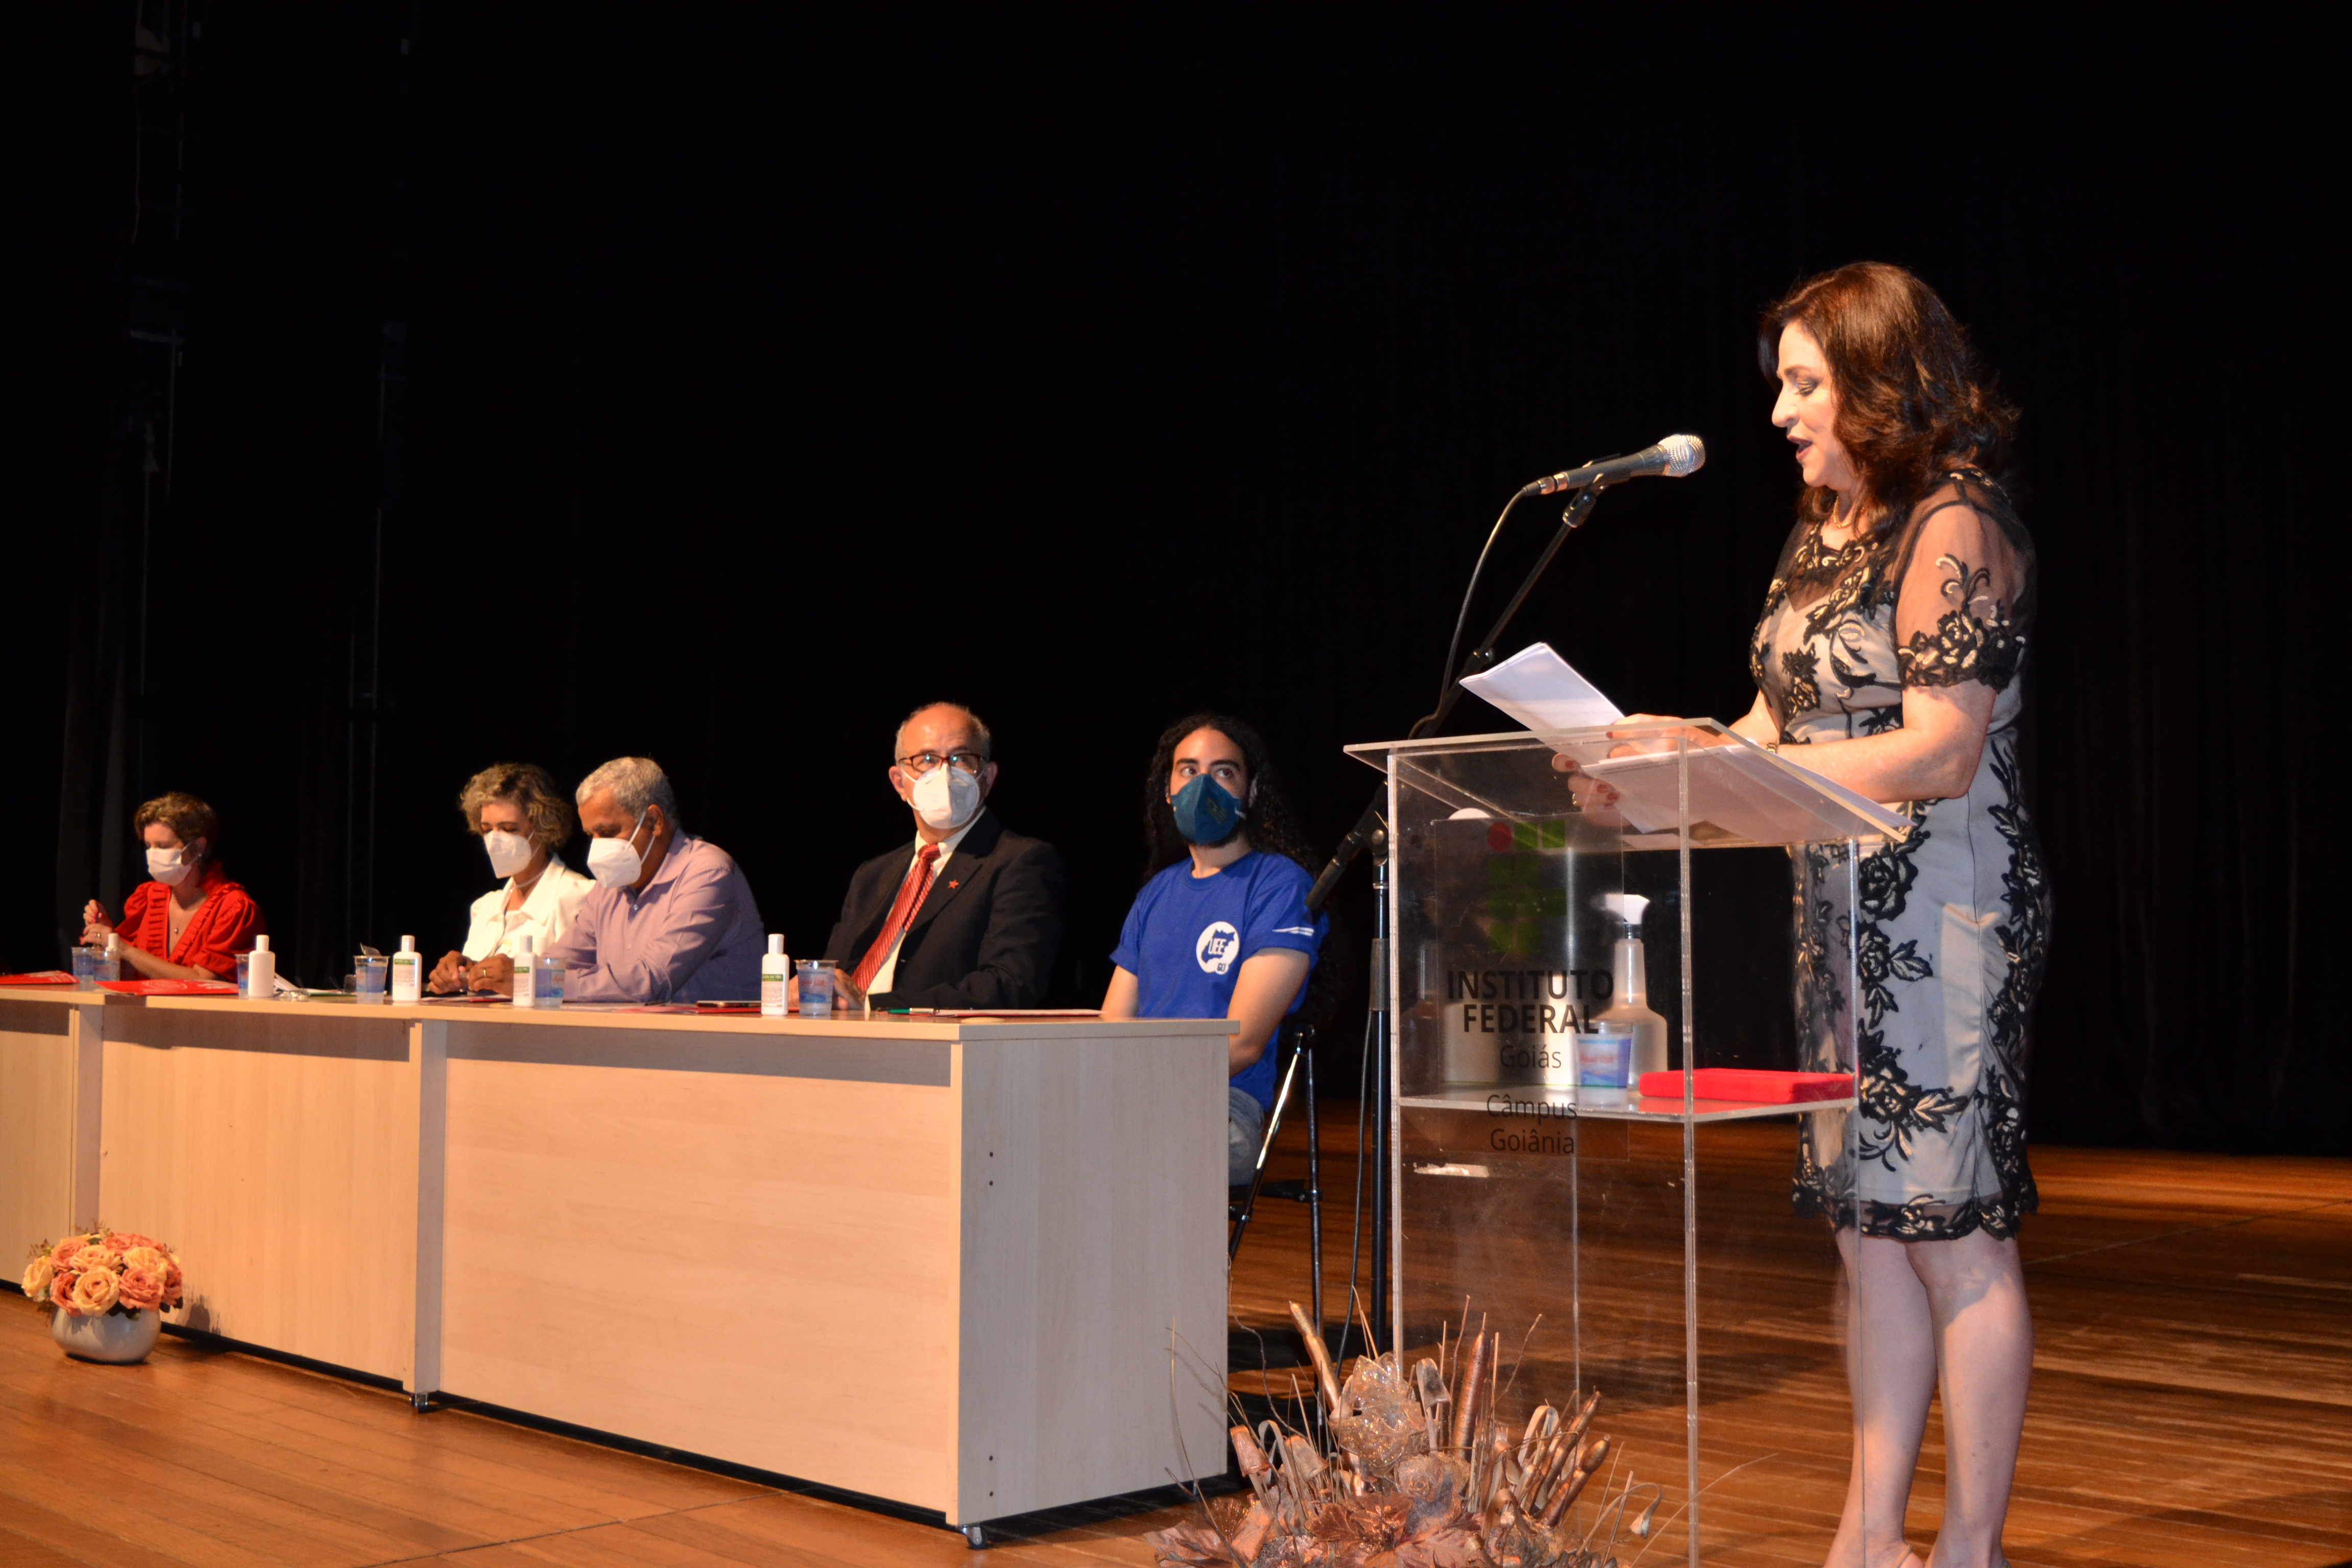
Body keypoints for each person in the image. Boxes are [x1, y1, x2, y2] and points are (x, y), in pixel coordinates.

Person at [1573, 262, 2044, 1568]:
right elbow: (1778, 727)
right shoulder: (1821, 521)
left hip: (1943, 920)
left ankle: (1968, 1544)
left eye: (1802, 382)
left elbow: (1942, 747)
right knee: (1863, 1228)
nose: (1780, 410)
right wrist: (1663, 765)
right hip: (1832, 917)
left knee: (1954, 1232)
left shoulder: (1955, 521)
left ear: (1876, 379)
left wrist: (1738, 770)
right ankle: (1866, 1528)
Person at [1100, 714, 1327, 1187]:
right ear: (1168, 790)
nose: (1204, 787)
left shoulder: (1280, 886)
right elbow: (1113, 1025)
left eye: (1224, 772)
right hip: (1136, 1099)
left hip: (1222, 1107)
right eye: (1188, 770)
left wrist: (1143, 1090)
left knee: (1112, 1145)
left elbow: (1243, 1044)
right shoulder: (1155, 894)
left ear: (1252, 792)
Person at [821, 702, 1064, 1011]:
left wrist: (872, 1005)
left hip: (935, 1048)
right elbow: (837, 975)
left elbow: (1009, 984)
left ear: (988, 777)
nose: (944, 773)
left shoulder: (1020, 862)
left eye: (961, 758)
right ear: (900, 783)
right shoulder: (873, 875)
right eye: (926, 759)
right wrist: (814, 990)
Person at [470, 757, 764, 1004]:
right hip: (641, 1046)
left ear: (654, 821)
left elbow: (651, 980)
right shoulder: (609, 886)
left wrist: (536, 981)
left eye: (608, 833)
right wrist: (483, 974)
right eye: (590, 835)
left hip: (719, 1053)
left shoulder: (707, 872)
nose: (596, 848)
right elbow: (558, 962)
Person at [426, 763, 595, 994]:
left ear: (543, 827)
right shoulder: (485, 908)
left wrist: (523, 978)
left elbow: (584, 986)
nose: (495, 841)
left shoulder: (579, 896)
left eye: (508, 829)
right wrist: (459, 974)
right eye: (487, 830)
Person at [80, 792, 266, 983]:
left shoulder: (233, 908)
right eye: (149, 846)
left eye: (163, 846)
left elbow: (204, 982)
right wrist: (108, 942)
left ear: (199, 847)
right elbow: (135, 977)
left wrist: (125, 950)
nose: (153, 855)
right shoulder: (147, 898)